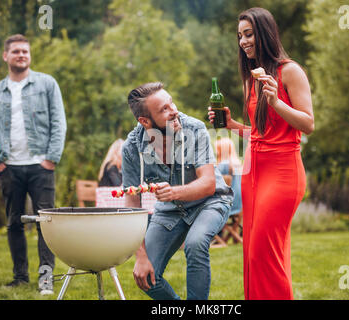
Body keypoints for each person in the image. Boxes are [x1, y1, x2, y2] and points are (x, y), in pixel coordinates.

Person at [208, 7, 314, 300]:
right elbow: (260, 134)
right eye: (240, 35)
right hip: (253, 172)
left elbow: (308, 123)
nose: (243, 41)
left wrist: (277, 101)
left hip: (283, 173)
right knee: (252, 256)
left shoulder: (289, 71)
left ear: (265, 33)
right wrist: (230, 124)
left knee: (263, 253)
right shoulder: (250, 79)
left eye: (249, 34)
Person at [122, 82, 233, 300]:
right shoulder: (131, 148)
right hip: (169, 211)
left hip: (210, 202)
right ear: (145, 121)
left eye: (171, 102)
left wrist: (173, 193)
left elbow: (208, 184)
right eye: (164, 109)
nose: (174, 111)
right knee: (146, 278)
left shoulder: (195, 129)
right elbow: (132, 206)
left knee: (195, 243)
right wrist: (141, 255)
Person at [0, 34, 67, 295]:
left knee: (45, 223)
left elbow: (58, 124)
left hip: (41, 166)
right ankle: (20, 278)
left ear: (30, 56)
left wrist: (51, 159)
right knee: (14, 223)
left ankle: (45, 281)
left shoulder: (47, 84)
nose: (21, 55)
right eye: (16, 51)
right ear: (6, 56)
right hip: (10, 168)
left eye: (25, 52)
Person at [215, 138, 242, 216]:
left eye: (218, 149)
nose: (216, 152)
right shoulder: (237, 164)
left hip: (228, 204)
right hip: (239, 204)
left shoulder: (224, 165)